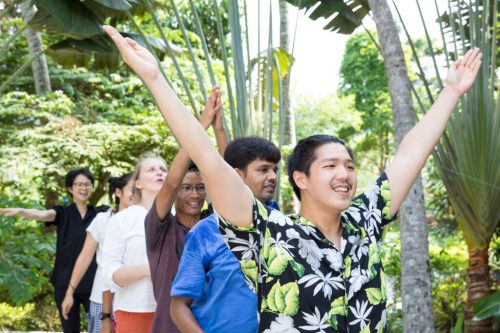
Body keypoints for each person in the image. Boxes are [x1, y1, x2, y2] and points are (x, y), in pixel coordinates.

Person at [103, 25, 482, 332]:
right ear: (300, 178)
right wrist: (155, 79)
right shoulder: (268, 233)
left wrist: (451, 91)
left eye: (349, 166)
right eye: (330, 166)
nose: (345, 174)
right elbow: (206, 156)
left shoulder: (365, 220)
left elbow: (410, 156)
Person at [170, 136, 281, 333]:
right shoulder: (205, 233)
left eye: (275, 169)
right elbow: (178, 306)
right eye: (263, 169)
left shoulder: (284, 228)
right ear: (237, 175)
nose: (272, 176)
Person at [145, 87, 227, 333]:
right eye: (187, 188)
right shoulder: (160, 229)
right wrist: (200, 126)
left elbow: (230, 178)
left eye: (201, 188)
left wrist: (219, 130)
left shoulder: (213, 223)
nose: (195, 194)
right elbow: (170, 182)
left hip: (213, 326)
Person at [0, 169, 109, 333]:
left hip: (93, 282)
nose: (83, 188)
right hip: (64, 282)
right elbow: (43, 214)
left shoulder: (100, 213)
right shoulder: (62, 212)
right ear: (71, 188)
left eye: (87, 184)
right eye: (79, 184)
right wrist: (21, 211)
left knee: (98, 328)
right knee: (70, 329)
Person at [60, 172, 134, 333]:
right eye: (132, 189)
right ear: (118, 192)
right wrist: (69, 293)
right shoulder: (103, 219)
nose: (137, 193)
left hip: (134, 299)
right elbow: (84, 258)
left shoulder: (147, 220)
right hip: (101, 300)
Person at [102, 157, 167, 333]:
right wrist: (150, 268)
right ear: (138, 183)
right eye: (151, 169)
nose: (159, 172)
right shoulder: (121, 220)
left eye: (163, 169)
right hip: (134, 311)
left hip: (174, 311)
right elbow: (110, 275)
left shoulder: (178, 217)